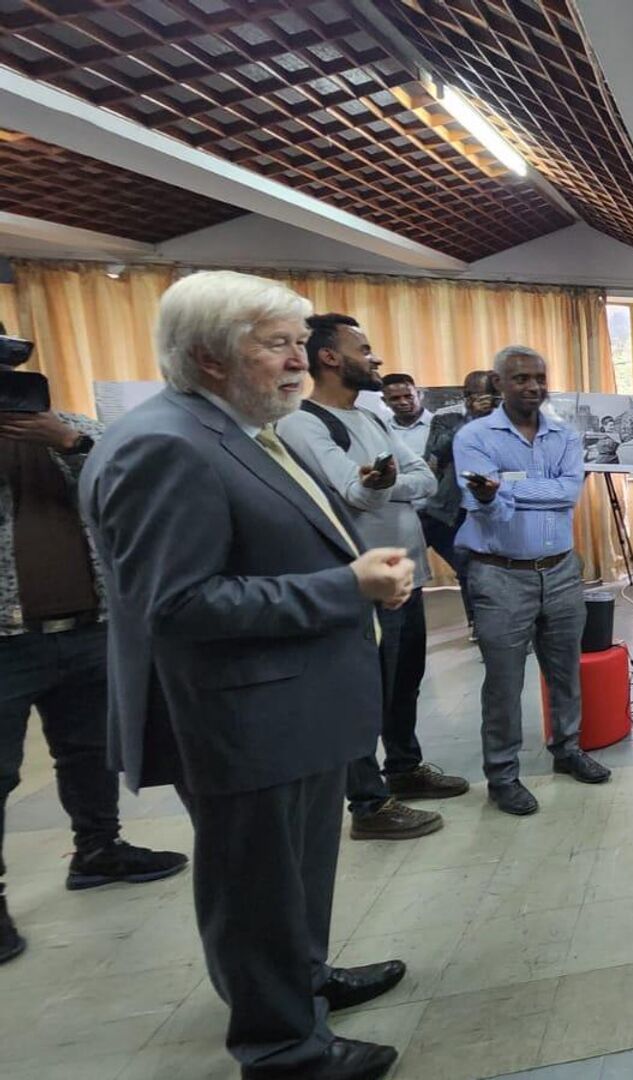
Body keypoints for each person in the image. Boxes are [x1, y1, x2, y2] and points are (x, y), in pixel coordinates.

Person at [80, 270, 415, 1078]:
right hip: (240, 716)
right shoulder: (167, 444)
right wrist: (349, 587)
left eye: (303, 345)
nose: (302, 362)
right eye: (279, 346)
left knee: (293, 874)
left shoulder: (243, 428)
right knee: (256, 887)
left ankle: (301, 986)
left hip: (288, 709)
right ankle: (283, 1049)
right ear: (211, 355)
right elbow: (180, 604)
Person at [1, 401, 187, 967]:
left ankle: (99, 849)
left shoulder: (78, 430)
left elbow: (137, 494)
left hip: (89, 626)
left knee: (89, 752)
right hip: (5, 638)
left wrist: (72, 446)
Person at [280, 315, 464, 841]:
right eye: (363, 349)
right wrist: (384, 484)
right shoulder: (304, 423)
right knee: (362, 691)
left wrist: (385, 484)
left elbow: (424, 477)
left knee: (404, 680)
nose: (375, 359)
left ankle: (404, 769)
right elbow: (351, 492)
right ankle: (368, 803)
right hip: (360, 584)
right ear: (330, 358)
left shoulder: (372, 420)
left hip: (405, 575)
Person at [454, 345, 610, 817]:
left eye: (539, 377)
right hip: (500, 574)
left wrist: (508, 487)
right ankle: (502, 775)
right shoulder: (475, 436)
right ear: (499, 383)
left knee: (565, 669)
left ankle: (567, 749)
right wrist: (506, 493)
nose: (533, 387)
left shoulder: (562, 434)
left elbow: (568, 493)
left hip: (561, 570)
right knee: (503, 681)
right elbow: (478, 497)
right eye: (521, 378)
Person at [421, 371, 496, 635]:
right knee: (465, 565)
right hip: (455, 507)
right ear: (466, 395)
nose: (484, 401)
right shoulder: (446, 418)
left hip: (494, 503)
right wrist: (471, 419)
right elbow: (437, 451)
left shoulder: (505, 419)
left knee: (490, 565)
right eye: (477, 394)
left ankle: (493, 619)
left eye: (490, 395)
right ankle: (476, 622)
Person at [379, 373, 432, 458]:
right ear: (385, 401)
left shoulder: (441, 427)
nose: (403, 402)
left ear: (419, 395)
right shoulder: (381, 430)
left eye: (408, 396)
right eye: (395, 398)